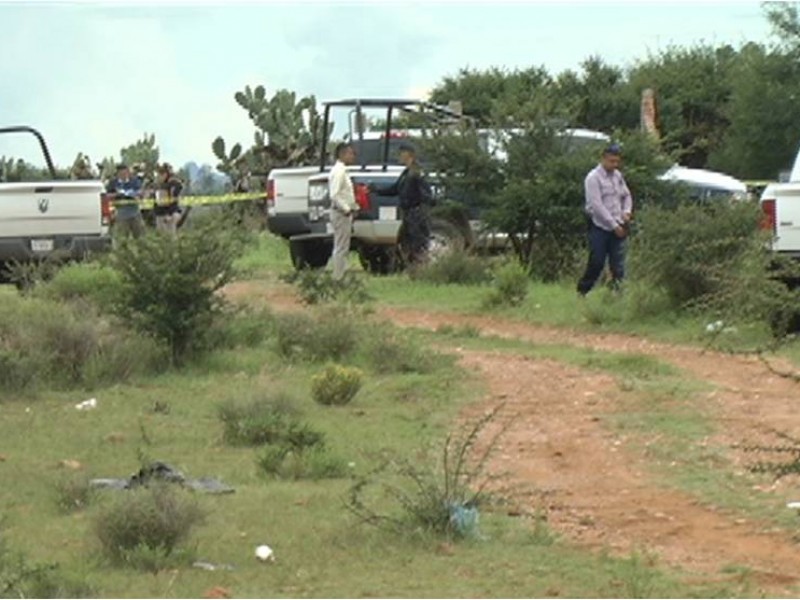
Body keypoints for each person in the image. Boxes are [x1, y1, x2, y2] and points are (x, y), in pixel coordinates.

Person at [577, 143, 633, 296]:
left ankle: (617, 293)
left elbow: (626, 195)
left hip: (619, 223)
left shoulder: (618, 176)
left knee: (618, 264)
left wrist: (626, 212)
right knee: (597, 261)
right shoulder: (593, 178)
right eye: (611, 161)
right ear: (603, 159)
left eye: (616, 161)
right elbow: (597, 206)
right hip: (599, 225)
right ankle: (583, 290)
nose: (614, 165)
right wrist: (614, 225)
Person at [372, 142, 432, 266]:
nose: (399, 156)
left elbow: (425, 193)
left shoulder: (416, 172)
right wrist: (376, 190)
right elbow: (395, 189)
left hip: (417, 213)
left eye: (401, 153)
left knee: (418, 242)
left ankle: (421, 268)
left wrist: (424, 208)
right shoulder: (406, 173)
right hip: (408, 213)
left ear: (409, 155)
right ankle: (411, 267)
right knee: (406, 242)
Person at [328, 142, 359, 280]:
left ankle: (341, 274)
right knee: (341, 246)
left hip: (343, 212)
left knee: (343, 245)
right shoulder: (339, 172)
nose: (353, 156)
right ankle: (337, 277)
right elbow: (334, 194)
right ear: (343, 154)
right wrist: (346, 209)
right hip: (340, 213)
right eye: (350, 153)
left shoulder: (343, 171)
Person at [107, 164, 145, 239]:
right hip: (121, 214)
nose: (124, 175)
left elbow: (141, 191)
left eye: (125, 173)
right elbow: (107, 195)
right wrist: (117, 194)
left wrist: (135, 194)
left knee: (140, 236)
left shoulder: (134, 181)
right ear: (118, 173)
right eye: (121, 174)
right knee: (122, 237)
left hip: (135, 212)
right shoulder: (113, 183)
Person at [153, 163, 183, 236]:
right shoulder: (157, 184)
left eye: (160, 175)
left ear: (165, 174)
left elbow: (174, 200)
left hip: (170, 213)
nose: (158, 177)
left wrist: (170, 214)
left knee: (170, 234)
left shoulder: (172, 183)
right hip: (159, 213)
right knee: (161, 235)